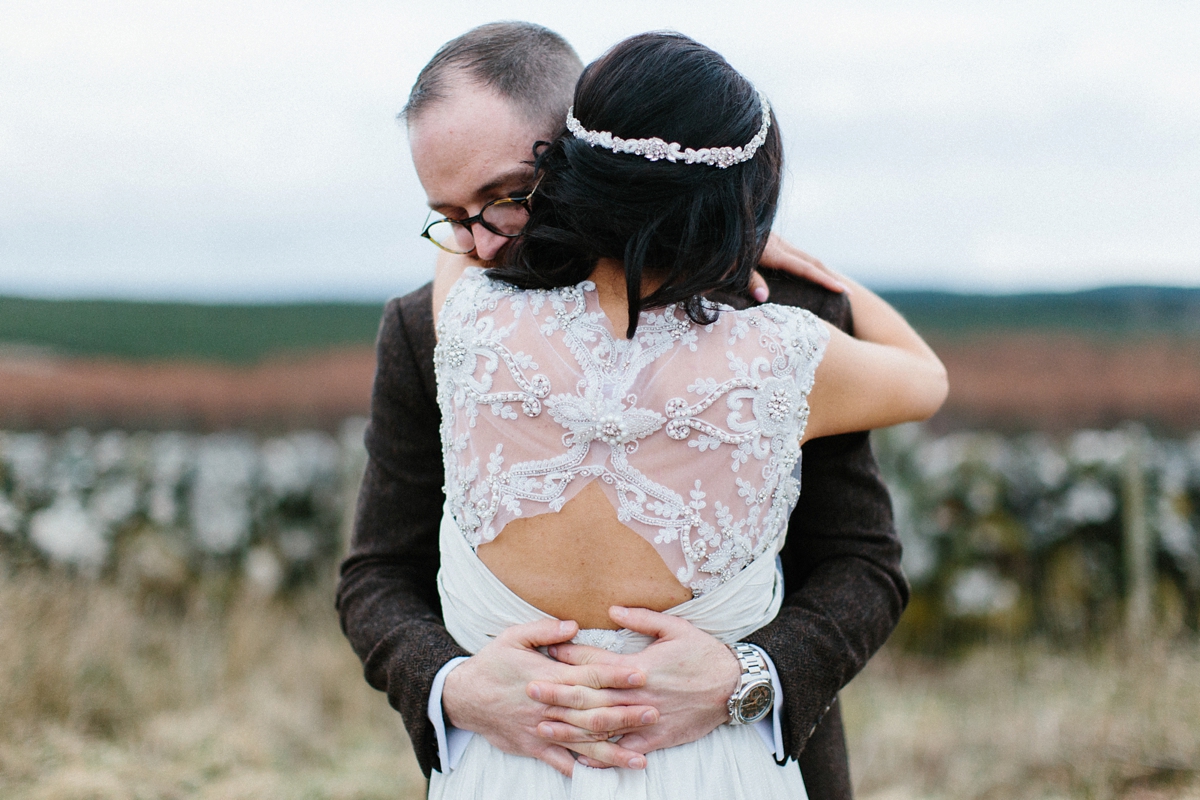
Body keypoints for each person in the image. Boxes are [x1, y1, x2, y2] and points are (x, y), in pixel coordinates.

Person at [336, 22, 915, 800]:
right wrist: (453, 687)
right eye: (447, 216)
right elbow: (378, 572)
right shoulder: (429, 325)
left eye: (507, 198)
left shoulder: (784, 320)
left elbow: (862, 564)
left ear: (577, 158)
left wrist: (750, 679)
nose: (478, 247)